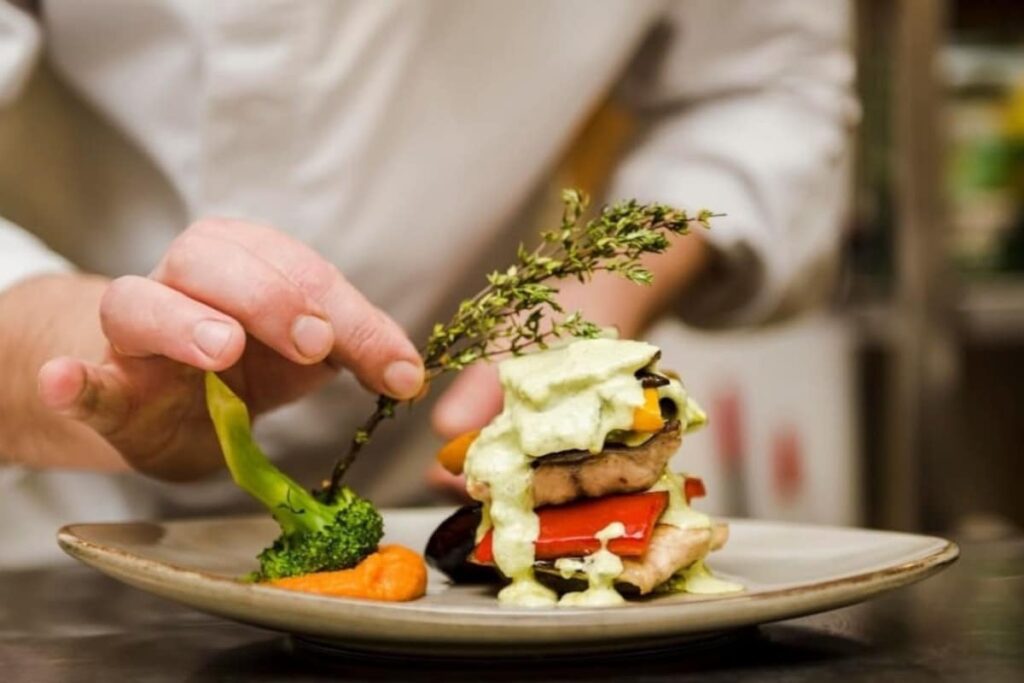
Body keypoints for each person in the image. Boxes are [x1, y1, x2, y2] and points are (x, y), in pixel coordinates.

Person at [0, 0, 856, 565]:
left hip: (440, 506)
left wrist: (593, 291)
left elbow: (764, 85)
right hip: (44, 511)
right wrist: (70, 349)